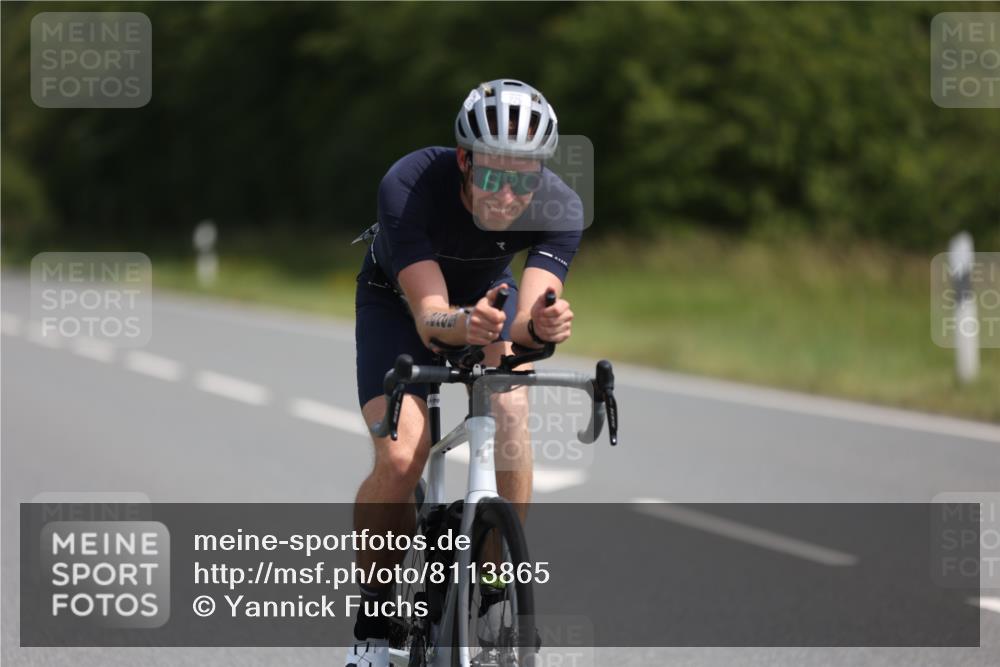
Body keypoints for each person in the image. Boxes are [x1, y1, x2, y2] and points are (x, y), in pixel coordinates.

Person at [347, 78, 583, 667]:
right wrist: (469, 324)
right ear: (463, 160)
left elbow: (527, 321)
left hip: (488, 305)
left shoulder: (562, 208)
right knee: (401, 458)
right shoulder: (408, 184)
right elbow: (430, 319)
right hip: (400, 305)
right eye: (493, 175)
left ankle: (495, 574)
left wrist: (540, 328)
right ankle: (375, 626)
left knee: (510, 413)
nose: (507, 195)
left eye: (523, 178)